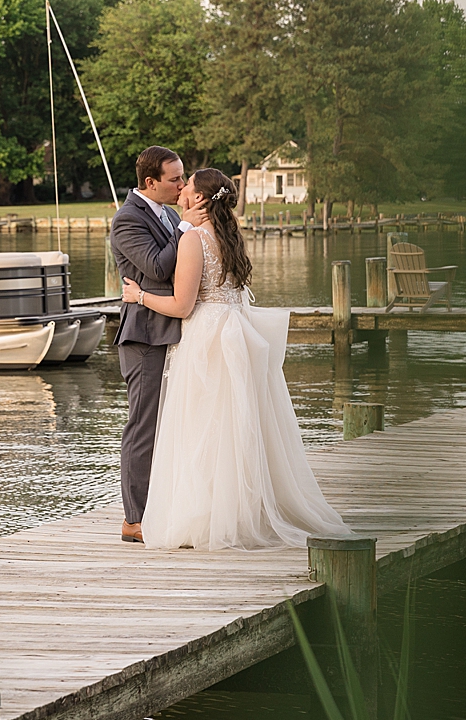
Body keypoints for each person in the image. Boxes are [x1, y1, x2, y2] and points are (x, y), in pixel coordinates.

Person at [121, 168, 350, 550]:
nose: (181, 190)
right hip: (234, 331)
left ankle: (207, 516)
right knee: (234, 425)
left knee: (203, 428)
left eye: (187, 186)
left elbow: (181, 305)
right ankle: (238, 511)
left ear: (198, 200)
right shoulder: (230, 236)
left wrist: (139, 297)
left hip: (206, 337)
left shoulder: (194, 238)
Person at [109, 146, 207, 544]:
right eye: (175, 179)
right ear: (150, 182)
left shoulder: (166, 212)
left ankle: (164, 507)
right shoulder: (127, 220)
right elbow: (156, 267)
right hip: (144, 335)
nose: (183, 185)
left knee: (172, 424)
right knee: (143, 426)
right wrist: (185, 227)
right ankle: (134, 519)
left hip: (171, 329)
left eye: (183, 177)